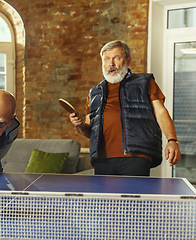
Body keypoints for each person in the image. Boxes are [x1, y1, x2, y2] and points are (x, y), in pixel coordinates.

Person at [69, 40, 181, 176]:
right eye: (107, 59)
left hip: (136, 156)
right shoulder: (94, 93)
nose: (111, 64)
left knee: (133, 197)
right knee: (104, 198)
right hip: (102, 160)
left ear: (128, 60)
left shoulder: (144, 82)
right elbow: (89, 129)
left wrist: (172, 140)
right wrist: (80, 125)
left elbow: (160, 112)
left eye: (116, 58)